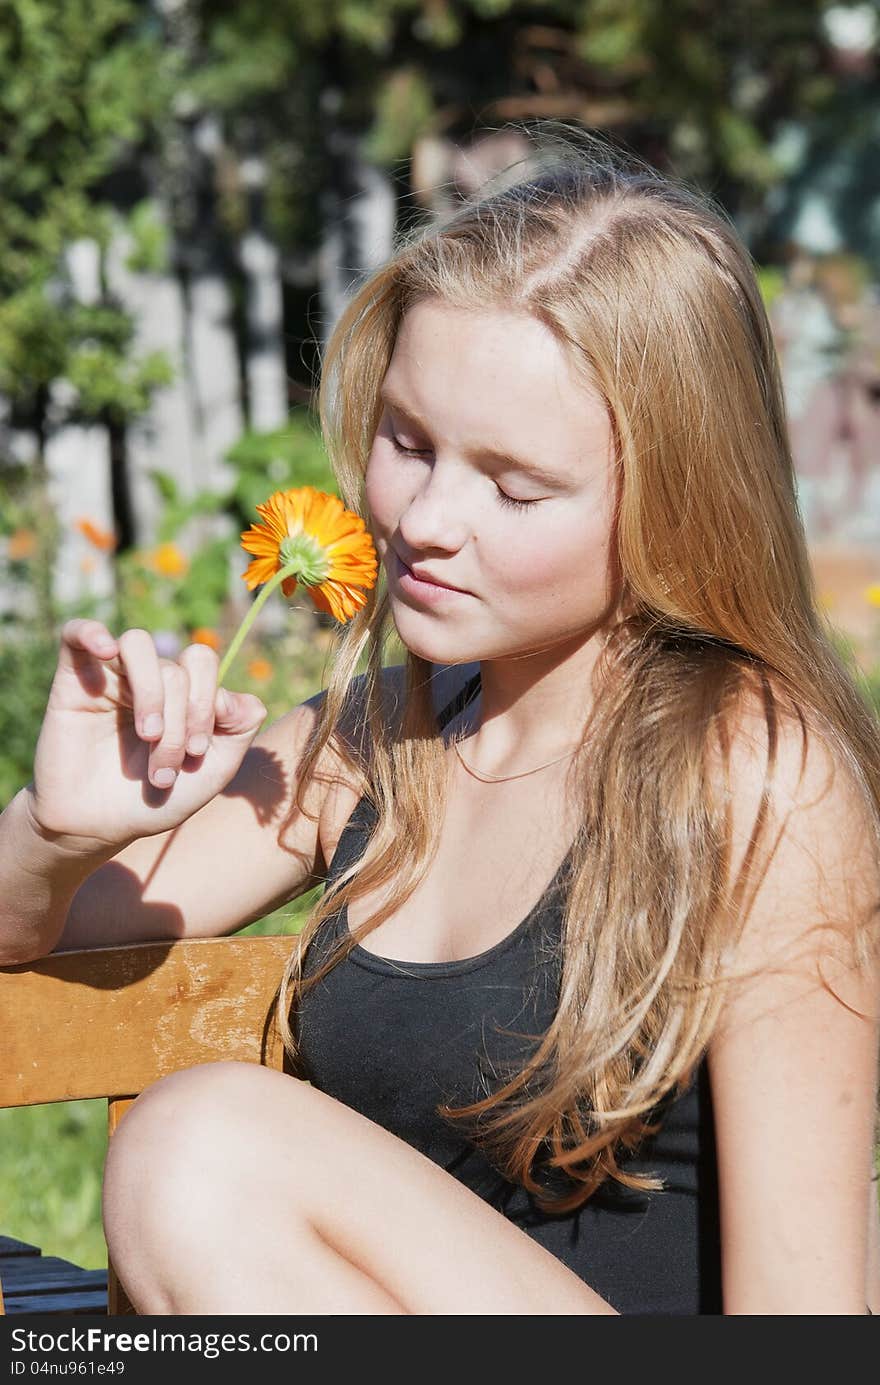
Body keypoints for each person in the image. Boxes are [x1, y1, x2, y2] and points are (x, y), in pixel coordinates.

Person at [1, 123, 879, 1316]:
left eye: (516, 486)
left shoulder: (758, 774)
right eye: (406, 442)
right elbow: (35, 931)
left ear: (677, 499)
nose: (426, 519)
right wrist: (56, 833)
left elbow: (805, 1311)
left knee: (202, 1144)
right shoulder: (375, 742)